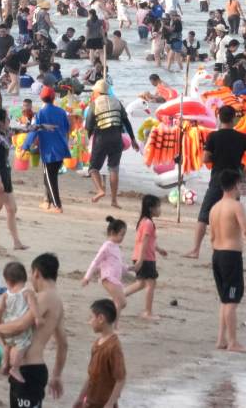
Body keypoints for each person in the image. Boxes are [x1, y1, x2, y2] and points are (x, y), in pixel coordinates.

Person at [184, 105, 246, 259]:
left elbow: (205, 158)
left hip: (217, 179)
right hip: (234, 182)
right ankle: (229, 247)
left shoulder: (213, 136)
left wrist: (217, 157)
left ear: (219, 118)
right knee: (233, 216)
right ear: (234, 119)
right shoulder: (241, 137)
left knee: (204, 215)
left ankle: (196, 250)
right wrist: (244, 173)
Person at [0, 253, 68, 408]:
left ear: (36, 273)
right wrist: (56, 375)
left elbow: (21, 325)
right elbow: (63, 344)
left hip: (28, 371)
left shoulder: (43, 297)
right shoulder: (57, 301)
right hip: (30, 370)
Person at [209, 170, 246, 352]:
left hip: (217, 255)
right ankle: (232, 342)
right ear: (235, 185)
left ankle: (221, 340)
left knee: (225, 300)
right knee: (232, 301)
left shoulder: (214, 207)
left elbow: (212, 236)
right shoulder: (235, 206)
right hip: (230, 256)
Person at [86, 80, 136, 208]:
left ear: (97, 92)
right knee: (114, 168)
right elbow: (126, 122)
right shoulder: (117, 102)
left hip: (101, 138)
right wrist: (133, 139)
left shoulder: (94, 104)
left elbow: (89, 126)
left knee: (93, 168)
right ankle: (114, 200)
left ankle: (100, 190)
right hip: (117, 138)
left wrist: (90, 139)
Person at [21, 86, 70, 213]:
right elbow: (67, 128)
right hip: (61, 148)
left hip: (49, 151)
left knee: (50, 179)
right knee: (49, 176)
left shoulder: (40, 114)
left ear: (41, 98)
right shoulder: (61, 112)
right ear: (54, 98)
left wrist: (25, 147)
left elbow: (33, 131)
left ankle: (57, 205)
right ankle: (47, 202)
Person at [0, 108, 27, 250]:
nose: (9, 121)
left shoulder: (4, 132)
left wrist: (43, 127)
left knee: (12, 208)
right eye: (7, 119)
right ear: (0, 122)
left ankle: (16, 242)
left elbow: (23, 129)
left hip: (5, 173)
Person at [73, 300, 126, 408]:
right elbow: (91, 375)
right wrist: (80, 398)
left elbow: (121, 379)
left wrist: (110, 404)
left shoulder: (113, 347)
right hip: (90, 402)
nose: (89, 322)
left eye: (91, 317)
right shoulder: (97, 343)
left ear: (101, 318)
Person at [0, 261, 38, 384]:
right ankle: (15, 368)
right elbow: (33, 307)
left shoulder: (5, 295)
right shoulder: (27, 293)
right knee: (23, 345)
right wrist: (38, 318)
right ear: (25, 278)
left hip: (6, 327)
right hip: (19, 330)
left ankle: (5, 364)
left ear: (7, 281)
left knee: (7, 346)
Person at [125, 194, 165, 319]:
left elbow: (150, 241)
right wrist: (141, 261)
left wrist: (159, 250)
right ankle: (148, 312)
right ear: (151, 208)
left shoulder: (143, 221)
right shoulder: (148, 223)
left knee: (141, 283)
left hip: (141, 256)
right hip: (145, 258)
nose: (160, 209)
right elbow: (144, 242)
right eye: (158, 207)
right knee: (151, 284)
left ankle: (118, 296)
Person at [82, 217, 128, 315]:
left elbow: (118, 264)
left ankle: (108, 317)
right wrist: (87, 277)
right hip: (108, 278)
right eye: (121, 234)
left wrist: (130, 268)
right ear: (112, 232)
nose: (123, 238)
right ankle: (113, 322)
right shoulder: (106, 246)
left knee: (120, 302)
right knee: (120, 302)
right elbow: (95, 262)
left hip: (114, 279)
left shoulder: (116, 246)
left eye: (124, 235)